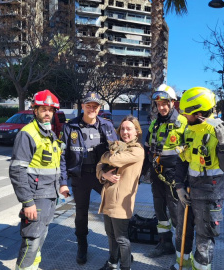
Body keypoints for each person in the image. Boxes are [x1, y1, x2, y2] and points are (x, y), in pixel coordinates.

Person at [170, 87, 224, 270]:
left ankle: (200, 267)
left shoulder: (220, 132)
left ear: (198, 112)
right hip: (188, 190)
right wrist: (179, 185)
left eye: (187, 113)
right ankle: (182, 262)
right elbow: (182, 160)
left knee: (204, 237)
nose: (184, 116)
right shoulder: (190, 130)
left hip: (210, 195)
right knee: (182, 230)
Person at [59, 92, 117, 265]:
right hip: (81, 176)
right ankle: (82, 246)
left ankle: (118, 247)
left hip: (103, 176)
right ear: (82, 106)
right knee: (81, 214)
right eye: (88, 105)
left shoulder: (107, 125)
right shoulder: (70, 126)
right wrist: (63, 183)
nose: (92, 108)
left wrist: (112, 173)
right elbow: (62, 157)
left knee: (112, 211)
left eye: (95, 106)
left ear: (100, 108)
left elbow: (117, 154)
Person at [9, 90, 61, 270]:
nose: (47, 113)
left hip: (49, 196)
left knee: (40, 238)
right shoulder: (28, 134)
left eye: (50, 110)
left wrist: (60, 187)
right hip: (36, 199)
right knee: (31, 241)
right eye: (43, 109)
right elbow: (17, 171)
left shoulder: (50, 134)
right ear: (35, 110)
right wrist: (27, 202)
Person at [142, 84, 188, 257]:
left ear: (172, 103)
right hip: (156, 176)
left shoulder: (182, 123)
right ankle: (165, 243)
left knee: (177, 214)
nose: (161, 107)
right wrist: (140, 174)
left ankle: (181, 249)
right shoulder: (154, 124)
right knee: (160, 211)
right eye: (158, 104)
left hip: (174, 177)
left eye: (164, 103)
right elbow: (148, 150)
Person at [96, 115, 145, 270]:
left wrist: (105, 156)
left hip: (121, 201)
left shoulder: (137, 151)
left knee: (121, 238)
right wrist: (104, 175)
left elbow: (113, 160)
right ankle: (112, 262)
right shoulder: (118, 146)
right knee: (110, 235)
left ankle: (126, 266)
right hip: (108, 197)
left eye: (129, 129)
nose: (125, 132)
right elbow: (99, 164)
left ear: (137, 132)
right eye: (122, 129)